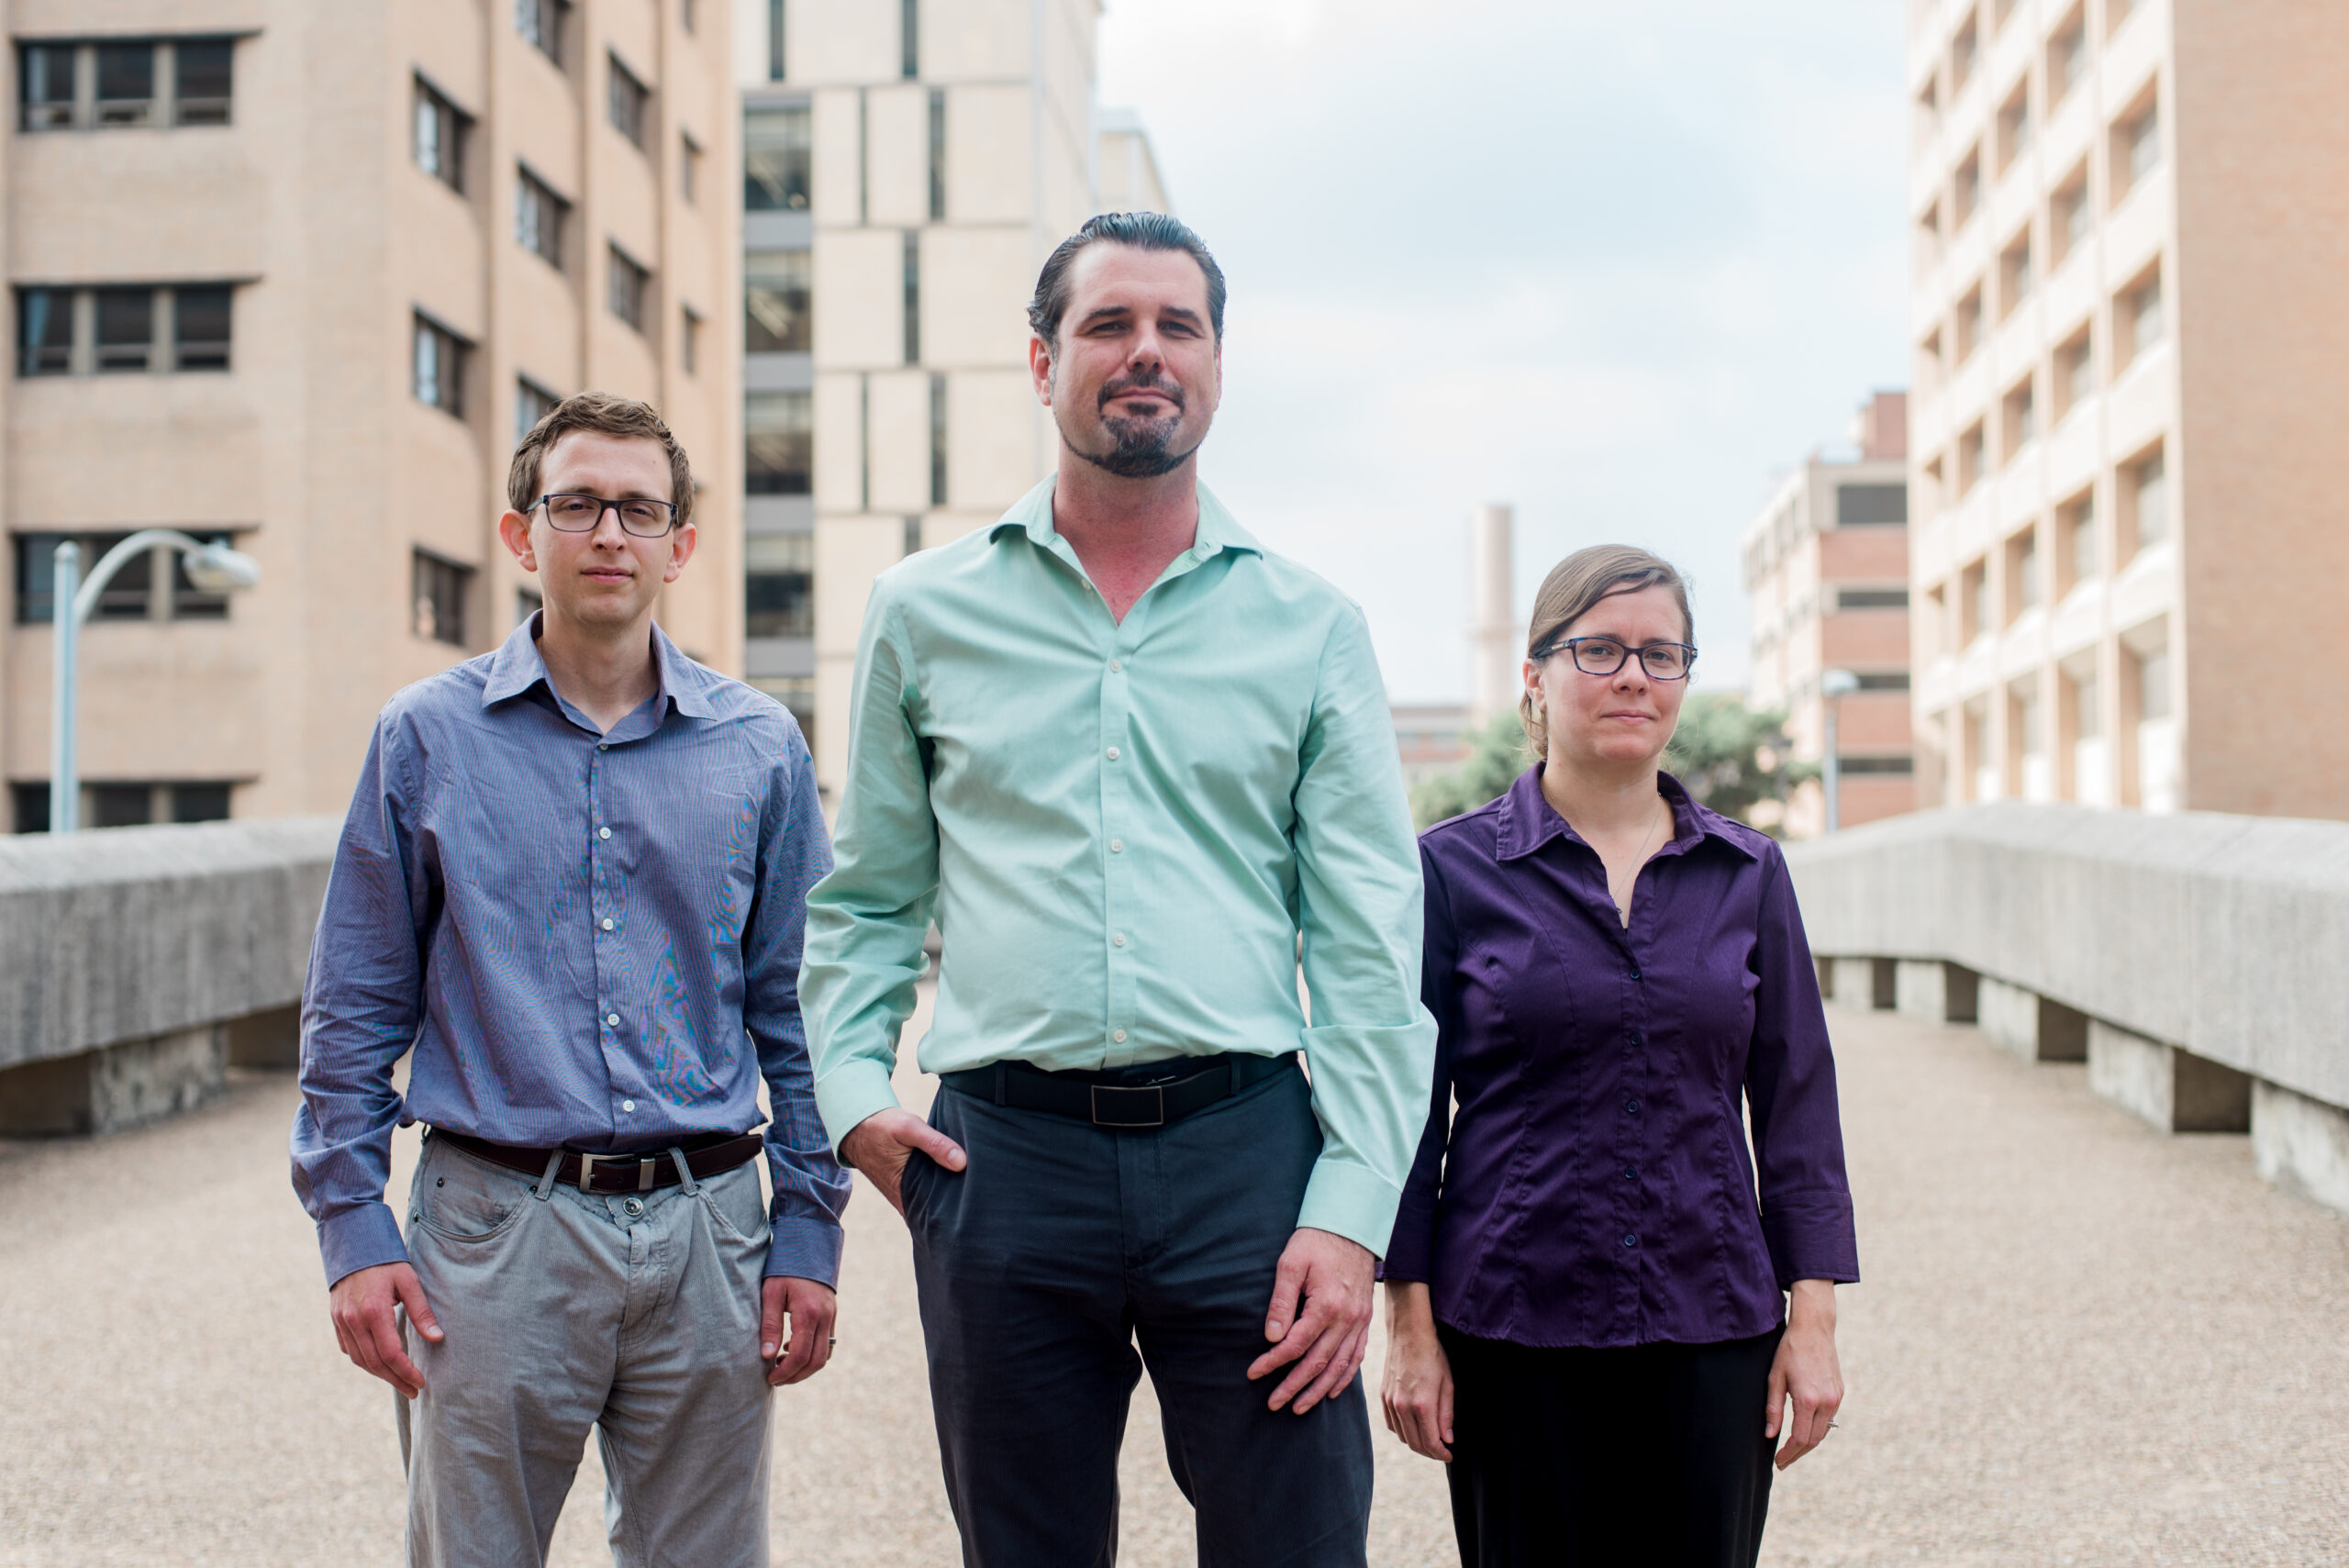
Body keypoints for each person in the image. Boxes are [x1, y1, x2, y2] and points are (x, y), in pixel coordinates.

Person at [800, 211, 1436, 1567]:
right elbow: (866, 900)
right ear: (1042, 363)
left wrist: (1351, 1206)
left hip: (1251, 1160)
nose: (1145, 352)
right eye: (1108, 324)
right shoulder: (922, 611)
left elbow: (1373, 943)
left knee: (1299, 1545)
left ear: (1215, 367)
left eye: (1177, 326)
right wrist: (854, 1100)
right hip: (1002, 1167)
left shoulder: (1311, 624)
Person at [291, 393, 849, 1567]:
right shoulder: (425, 737)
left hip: (712, 1234)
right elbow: (354, 1002)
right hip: (493, 1235)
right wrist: (350, 1221)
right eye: (577, 503)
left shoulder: (760, 747)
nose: (609, 532)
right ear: (520, 533)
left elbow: (797, 1011)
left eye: (640, 509)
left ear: (680, 546)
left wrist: (807, 1228)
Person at [1379, 545, 1859, 1568]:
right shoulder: (1451, 871)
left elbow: (1796, 1107)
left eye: (1660, 653)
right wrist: (1409, 1326)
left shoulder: (1749, 873)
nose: (1632, 675)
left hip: (1713, 1322)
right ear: (1535, 677)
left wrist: (1811, 1318)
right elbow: (1407, 1118)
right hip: (1510, 1322)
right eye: (1597, 649)